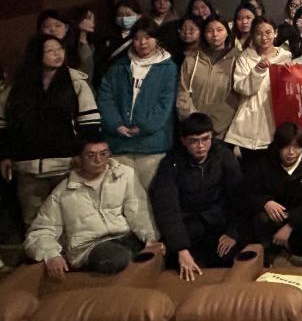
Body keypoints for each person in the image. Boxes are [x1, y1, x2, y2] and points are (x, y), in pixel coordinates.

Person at [24, 133, 159, 277]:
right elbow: (41, 230)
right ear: (78, 159)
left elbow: (139, 211)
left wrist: (150, 237)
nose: (99, 160)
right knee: (116, 257)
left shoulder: (124, 174)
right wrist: (51, 254)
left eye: (103, 154)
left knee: (160, 248)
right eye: (91, 155)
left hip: (125, 237)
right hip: (91, 246)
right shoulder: (63, 191)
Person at [1, 35, 101, 226]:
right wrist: (5, 155)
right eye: (50, 51)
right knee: (34, 223)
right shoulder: (18, 85)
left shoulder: (75, 82)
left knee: (71, 221)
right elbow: (4, 124)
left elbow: (90, 123)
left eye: (60, 49)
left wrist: (83, 153)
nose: (57, 54)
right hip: (27, 166)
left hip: (66, 164)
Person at [150, 112, 245, 279]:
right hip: (187, 224)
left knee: (228, 258)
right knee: (181, 268)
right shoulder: (171, 163)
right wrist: (181, 248)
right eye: (194, 141)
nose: (201, 146)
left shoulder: (223, 155)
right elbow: (167, 207)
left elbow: (238, 197)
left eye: (205, 139)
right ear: (183, 141)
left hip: (216, 222)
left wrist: (233, 232)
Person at [97, 17, 178, 190]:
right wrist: (116, 124)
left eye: (148, 37)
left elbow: (165, 104)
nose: (142, 43)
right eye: (137, 38)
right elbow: (105, 98)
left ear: (157, 39)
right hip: (119, 143)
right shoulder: (118, 66)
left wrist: (143, 127)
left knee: (149, 196)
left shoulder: (168, 68)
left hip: (152, 145)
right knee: (120, 196)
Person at [248, 122, 302, 261]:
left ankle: (291, 246)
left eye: (297, 147)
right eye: (286, 147)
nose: (291, 152)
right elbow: (248, 192)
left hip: (300, 215)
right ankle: (266, 256)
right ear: (278, 146)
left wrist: (290, 225)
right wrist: (265, 202)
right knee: (260, 219)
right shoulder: (263, 163)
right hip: (275, 214)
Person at [226, 17, 293, 174]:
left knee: (274, 173)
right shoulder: (245, 57)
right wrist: (258, 70)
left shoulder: (286, 57)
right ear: (253, 35)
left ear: (276, 33)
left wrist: (291, 75)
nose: (264, 37)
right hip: (249, 123)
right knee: (251, 173)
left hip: (274, 122)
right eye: (258, 33)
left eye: (268, 32)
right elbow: (242, 88)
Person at [176, 14, 242, 137]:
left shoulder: (238, 60)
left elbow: (234, 97)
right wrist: (193, 121)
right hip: (191, 127)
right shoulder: (192, 59)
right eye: (209, 31)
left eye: (219, 30)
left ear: (227, 33)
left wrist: (214, 126)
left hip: (221, 130)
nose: (215, 34)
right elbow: (182, 90)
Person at [93, 0, 144, 89]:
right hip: (112, 82)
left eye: (128, 15)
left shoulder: (145, 37)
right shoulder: (106, 36)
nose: (124, 18)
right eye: (120, 15)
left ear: (139, 15)